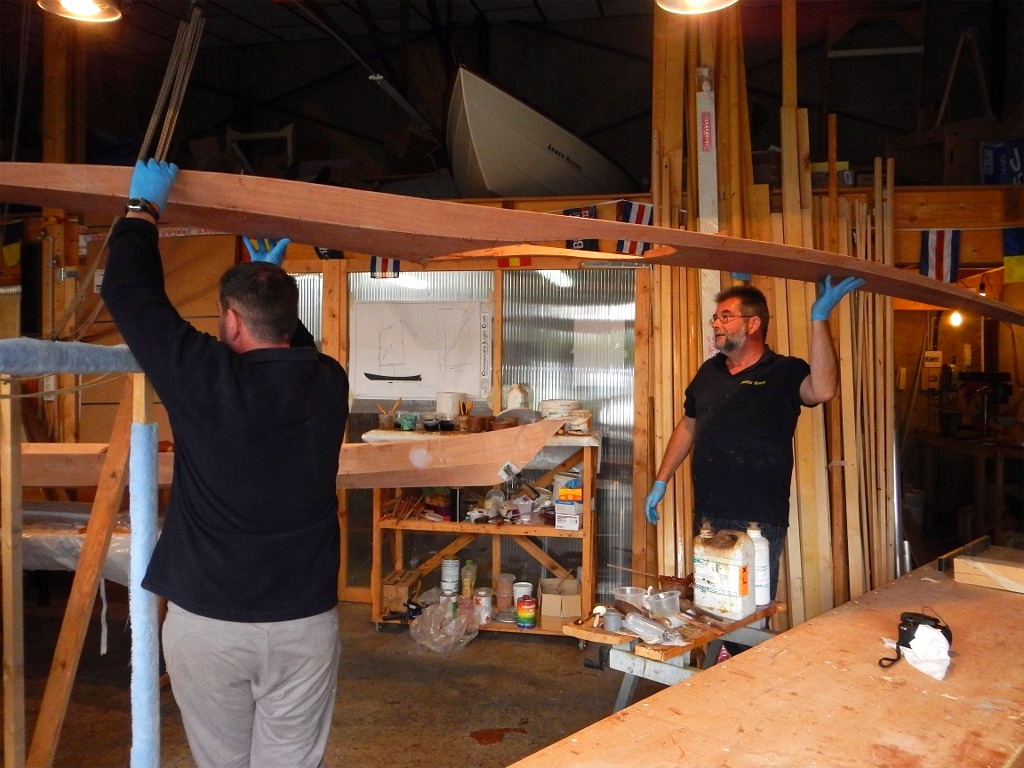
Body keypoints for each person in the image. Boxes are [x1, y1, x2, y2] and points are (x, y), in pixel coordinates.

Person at [102, 158, 350, 768]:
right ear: (290, 324)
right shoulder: (328, 383)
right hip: (305, 623)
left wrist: (142, 211)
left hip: (209, 622)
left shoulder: (203, 377)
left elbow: (128, 293)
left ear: (231, 321)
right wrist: (270, 283)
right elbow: (298, 351)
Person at [644, 277, 863, 599]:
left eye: (725, 316)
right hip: (708, 513)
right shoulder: (710, 372)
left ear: (753, 324)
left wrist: (820, 319)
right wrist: (661, 480)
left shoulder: (783, 371)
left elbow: (823, 389)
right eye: (715, 317)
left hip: (758, 519)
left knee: (749, 608)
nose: (716, 323)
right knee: (708, 603)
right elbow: (688, 424)